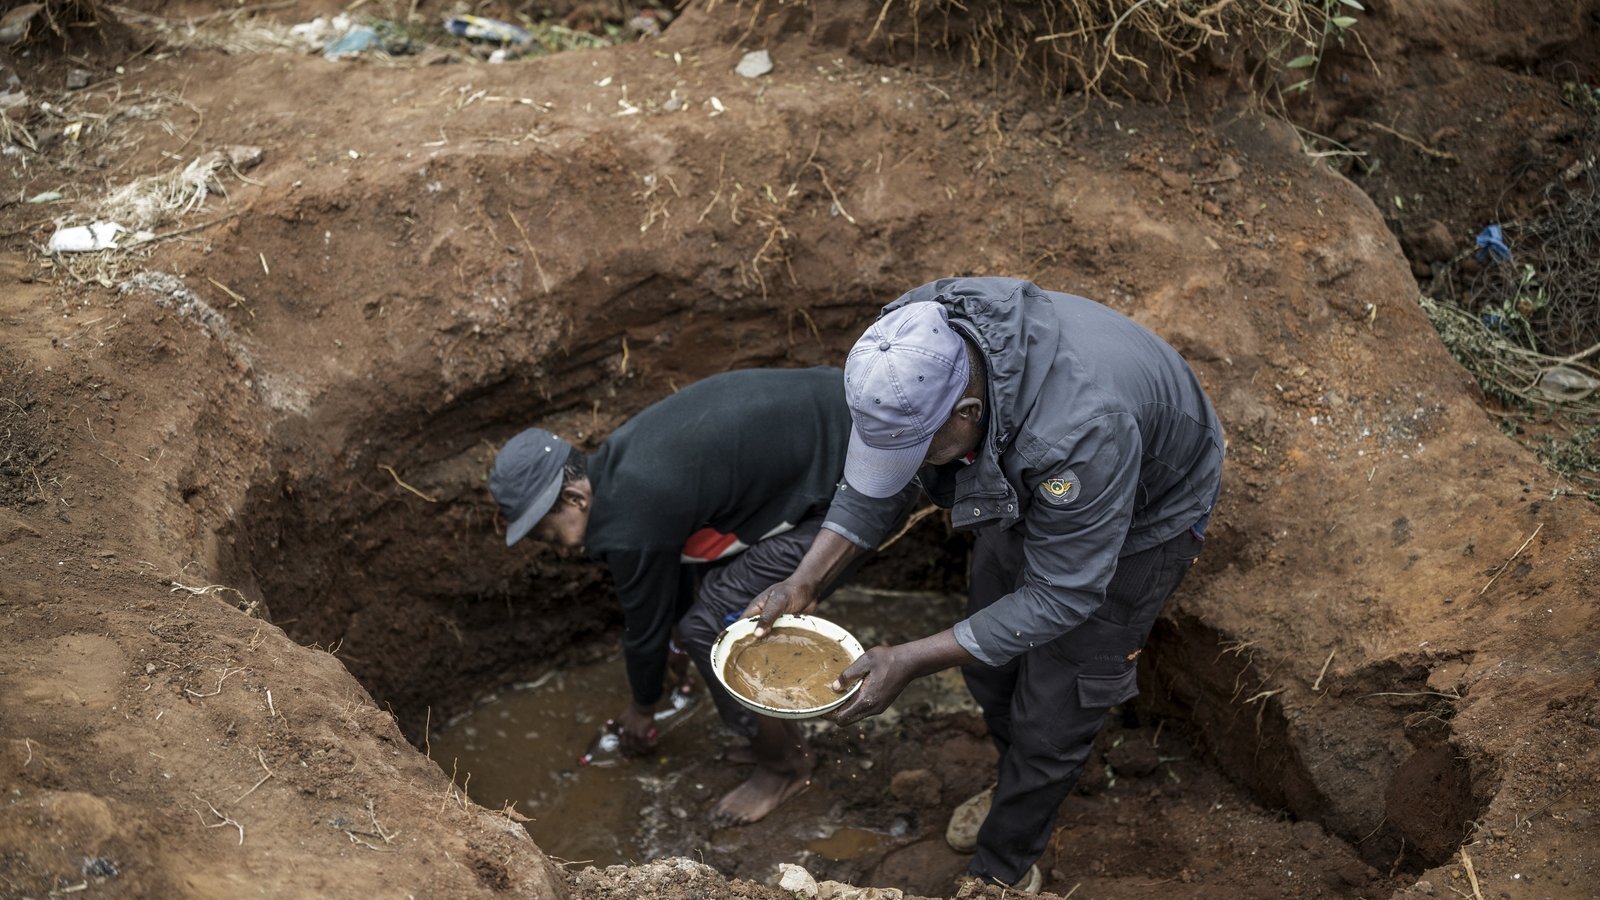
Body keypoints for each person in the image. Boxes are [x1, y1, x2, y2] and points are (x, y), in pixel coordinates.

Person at [744, 276, 1224, 892]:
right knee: (988, 669)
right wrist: (804, 581)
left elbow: (1065, 592)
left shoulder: (1078, 432)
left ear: (967, 414)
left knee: (1054, 711)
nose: (911, 467)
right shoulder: (908, 340)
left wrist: (911, 659)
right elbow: (881, 478)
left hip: (1140, 514)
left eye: (919, 450)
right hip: (1014, 469)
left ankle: (1003, 868)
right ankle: (1012, 781)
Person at [489, 367, 918, 826]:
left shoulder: (629, 522)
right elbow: (666, 578)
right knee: (709, 602)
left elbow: (645, 629)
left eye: (546, 532)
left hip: (871, 475)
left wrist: (642, 708)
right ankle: (767, 732)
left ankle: (784, 766)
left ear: (574, 498)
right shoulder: (623, 468)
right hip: (865, 427)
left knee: (711, 627)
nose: (553, 547)